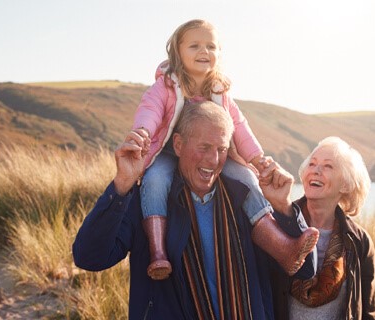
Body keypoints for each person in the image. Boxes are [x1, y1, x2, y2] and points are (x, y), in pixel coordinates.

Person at [72, 101, 317, 319]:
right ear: (178, 145)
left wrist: (283, 207)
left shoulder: (247, 200)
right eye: (204, 147)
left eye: (221, 149)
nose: (213, 160)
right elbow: (90, 257)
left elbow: (304, 270)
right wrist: (122, 185)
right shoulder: (148, 202)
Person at [129, 19, 318, 280]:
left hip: (215, 153)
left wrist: (256, 158)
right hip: (168, 152)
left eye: (211, 46)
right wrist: (142, 133)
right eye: (194, 45)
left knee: (247, 178)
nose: (204, 51)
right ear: (177, 50)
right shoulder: (167, 86)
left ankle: (282, 247)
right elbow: (150, 110)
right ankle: (158, 252)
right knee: (155, 181)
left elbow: (239, 126)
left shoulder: (220, 92)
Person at [265, 137, 375, 320]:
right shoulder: (277, 224)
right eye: (312, 164)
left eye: (328, 166)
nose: (316, 171)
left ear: (345, 184)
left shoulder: (359, 241)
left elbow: (370, 310)